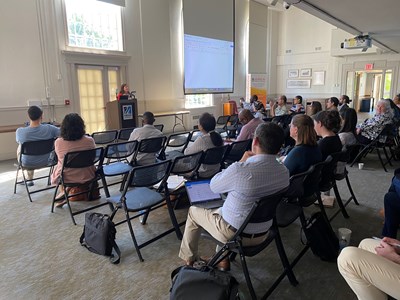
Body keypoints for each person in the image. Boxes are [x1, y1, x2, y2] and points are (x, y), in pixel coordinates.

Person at [179, 122, 289, 269]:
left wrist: (241, 162)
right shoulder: (284, 172)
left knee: (194, 211)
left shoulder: (241, 169)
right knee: (231, 206)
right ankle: (222, 260)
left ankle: (189, 260)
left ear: (255, 141)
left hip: (234, 235)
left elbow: (214, 186)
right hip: (263, 232)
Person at [51, 113, 97, 205]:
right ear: (81, 126)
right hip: (87, 174)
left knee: (59, 166)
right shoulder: (90, 140)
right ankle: (67, 191)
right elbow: (92, 158)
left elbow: (60, 161)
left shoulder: (58, 142)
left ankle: (64, 192)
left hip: (67, 177)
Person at [16, 106, 60, 186]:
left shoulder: (20, 132)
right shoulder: (50, 129)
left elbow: (19, 141)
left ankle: (29, 179)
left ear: (29, 116)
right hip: (48, 161)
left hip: (27, 163)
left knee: (20, 146)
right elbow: (63, 134)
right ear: (41, 116)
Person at [184, 112, 223, 178]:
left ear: (201, 127)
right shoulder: (219, 137)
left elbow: (187, 153)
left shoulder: (202, 139)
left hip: (203, 172)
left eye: (198, 122)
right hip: (216, 169)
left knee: (180, 162)